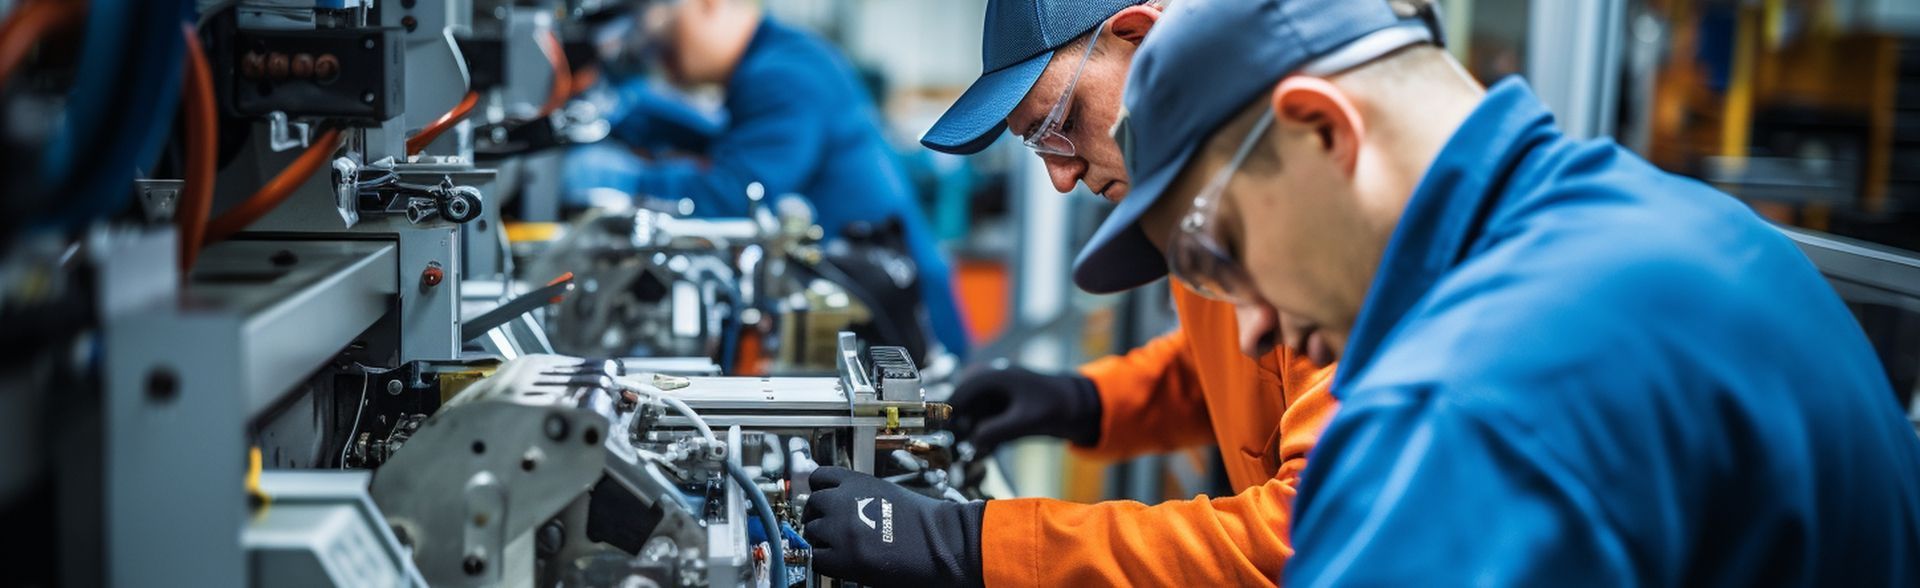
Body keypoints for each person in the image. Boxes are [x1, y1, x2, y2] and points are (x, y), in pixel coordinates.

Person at [1093, 0, 1920, 584]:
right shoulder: (1682, 223)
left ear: (1323, 129)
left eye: (1221, 250)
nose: (1248, 331)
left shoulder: (1470, 402)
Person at [799, 1, 1340, 585]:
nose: (1061, 179)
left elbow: (1309, 532)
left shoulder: (1326, 208)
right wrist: (1083, 401)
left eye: (1061, 122)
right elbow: (1242, 361)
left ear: (1139, 38)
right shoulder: (1205, 194)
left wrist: (974, 543)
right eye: (1039, 147)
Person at [564, 0, 971, 360]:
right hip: (876, 299)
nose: (649, 43)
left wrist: (607, 178)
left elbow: (730, 193)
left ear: (709, 3)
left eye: (657, 19)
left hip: (901, 321)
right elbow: (722, 144)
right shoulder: (781, 57)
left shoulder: (784, 75)